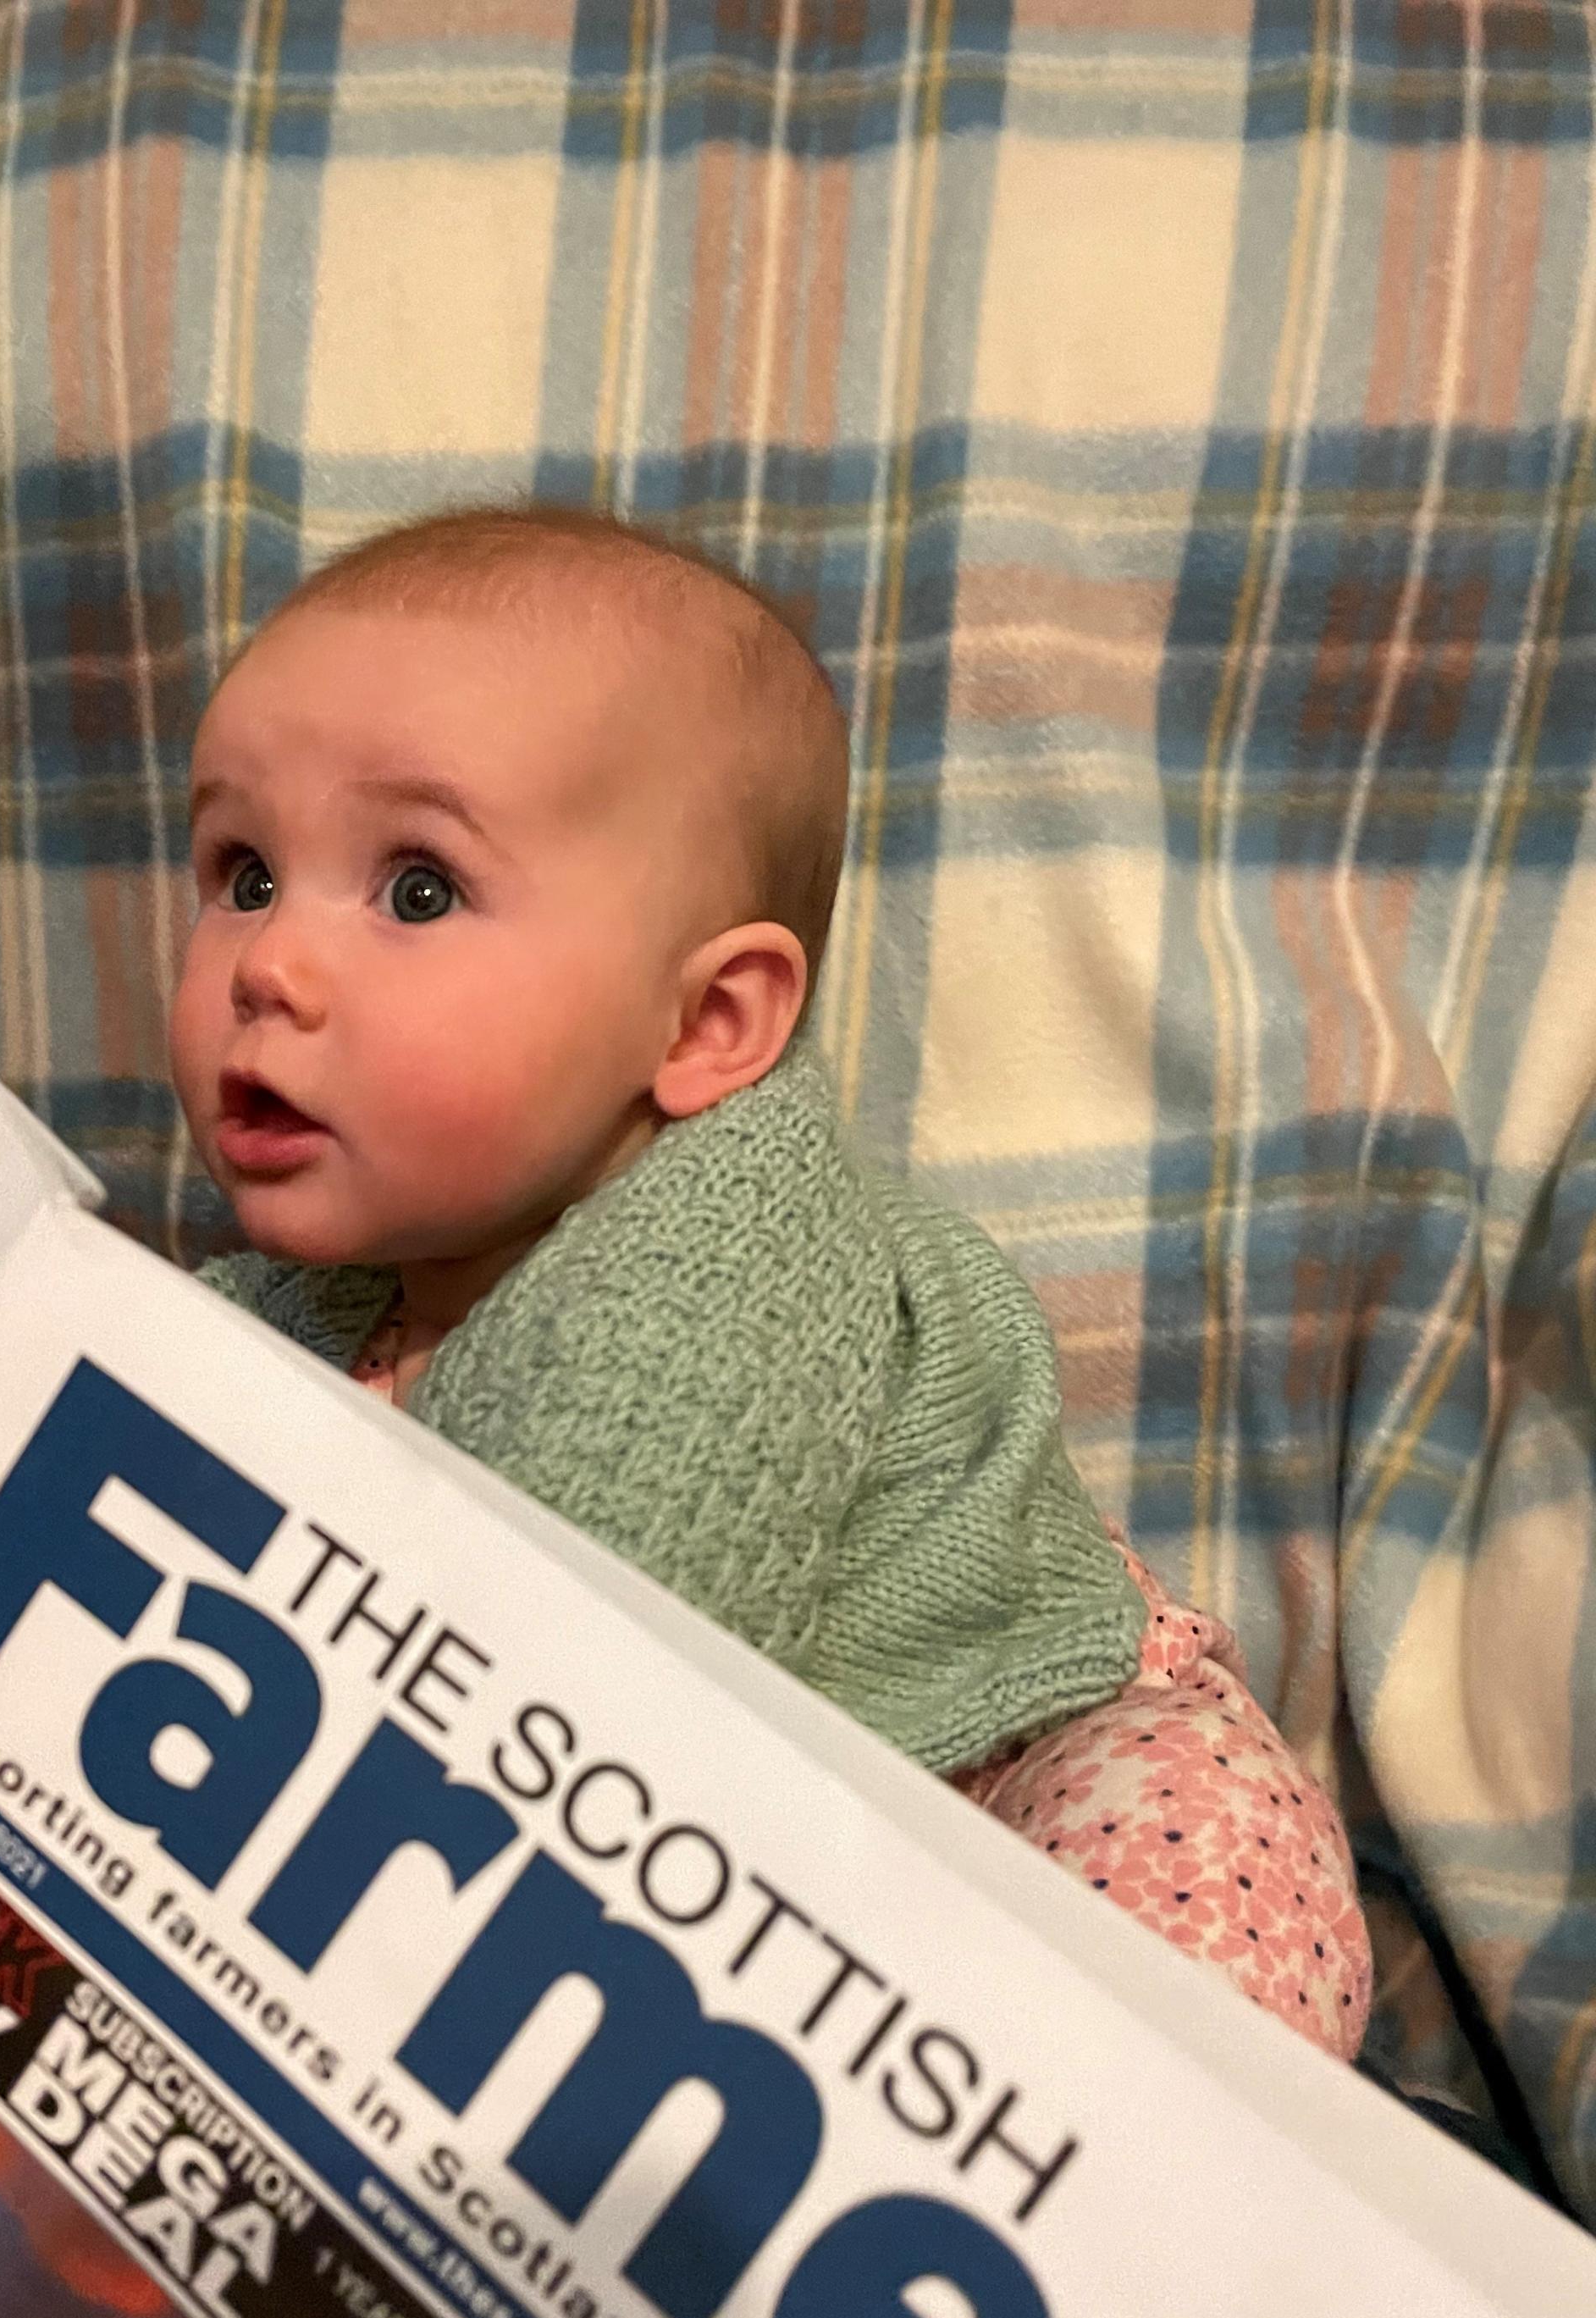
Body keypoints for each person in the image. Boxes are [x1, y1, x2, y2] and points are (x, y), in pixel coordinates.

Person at [174, 506, 1372, 2060]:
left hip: (1015, 1744)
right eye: (243, 871)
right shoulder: (308, 1297)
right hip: (762, 1844)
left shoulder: (731, 1258)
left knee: (1200, 1931)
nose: (270, 966)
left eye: (415, 891)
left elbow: (572, 1687)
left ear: (708, 1028)